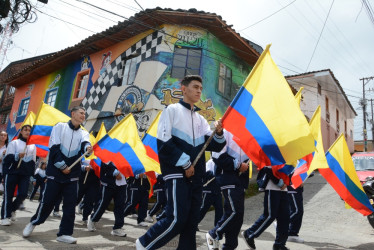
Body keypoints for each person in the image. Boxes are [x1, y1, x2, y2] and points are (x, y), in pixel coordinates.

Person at [136, 75, 226, 250]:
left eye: (201, 88)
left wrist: (220, 132)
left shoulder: (201, 120)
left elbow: (215, 145)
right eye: (195, 87)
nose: (199, 90)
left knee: (191, 223)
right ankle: (144, 244)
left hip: (196, 177)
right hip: (177, 172)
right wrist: (185, 163)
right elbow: (163, 143)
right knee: (176, 218)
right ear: (183, 88)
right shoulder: (171, 110)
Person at [22, 106, 92, 244]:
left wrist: (88, 150)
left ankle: (64, 233)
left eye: (85, 114)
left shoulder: (84, 133)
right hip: (55, 173)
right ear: (73, 114)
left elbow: (85, 146)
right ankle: (33, 223)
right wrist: (62, 166)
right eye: (81, 113)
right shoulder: (59, 127)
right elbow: (54, 148)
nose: (83, 115)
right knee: (47, 203)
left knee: (70, 205)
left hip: (72, 175)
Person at [205, 130, 249, 250]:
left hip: (241, 180)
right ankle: (214, 233)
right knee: (235, 212)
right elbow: (217, 156)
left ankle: (229, 246)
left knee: (237, 218)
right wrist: (238, 165)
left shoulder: (247, 132)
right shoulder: (225, 131)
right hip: (228, 177)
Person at [242, 167, 290, 250]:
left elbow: (291, 169)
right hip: (272, 187)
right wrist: (278, 182)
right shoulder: (271, 154)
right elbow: (267, 168)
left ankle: (279, 244)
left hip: (284, 188)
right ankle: (249, 233)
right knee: (270, 215)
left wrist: (287, 182)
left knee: (284, 218)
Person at [1, 125, 36, 226]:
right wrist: (17, 156)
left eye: (29, 130)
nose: (27, 132)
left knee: (23, 194)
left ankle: (12, 209)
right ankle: (5, 216)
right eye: (25, 130)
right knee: (8, 195)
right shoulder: (14, 143)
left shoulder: (32, 146)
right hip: (12, 172)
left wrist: (31, 175)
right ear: (21, 131)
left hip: (24, 174)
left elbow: (33, 162)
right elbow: (7, 159)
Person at [87, 161, 127, 237]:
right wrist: (114, 172)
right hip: (109, 183)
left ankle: (117, 228)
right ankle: (93, 218)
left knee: (120, 206)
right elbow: (105, 161)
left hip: (122, 183)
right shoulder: (109, 150)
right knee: (103, 204)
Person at [199, 158, 223, 229]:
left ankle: (218, 226)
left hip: (217, 190)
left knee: (219, 209)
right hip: (208, 190)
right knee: (203, 208)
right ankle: (193, 223)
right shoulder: (210, 162)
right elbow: (205, 173)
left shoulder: (221, 163)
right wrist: (212, 174)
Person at [76, 160, 100, 225]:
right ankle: (68, 215)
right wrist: (84, 167)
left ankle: (85, 218)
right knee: (76, 198)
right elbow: (76, 164)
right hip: (82, 178)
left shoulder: (100, 153)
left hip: (95, 179)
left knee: (89, 200)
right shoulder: (82, 151)